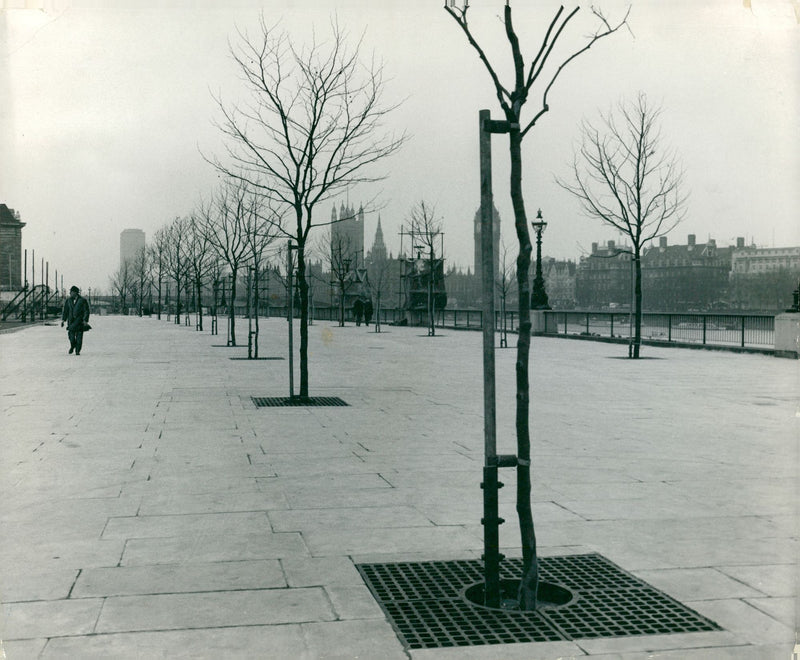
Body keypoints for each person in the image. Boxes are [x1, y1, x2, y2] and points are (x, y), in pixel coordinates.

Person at [61, 286, 90, 355]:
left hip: (80, 321)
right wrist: (63, 320)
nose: (70, 293)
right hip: (70, 321)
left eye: (71, 292)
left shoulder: (83, 300)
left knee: (79, 337)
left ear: (75, 292)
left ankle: (77, 350)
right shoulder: (68, 301)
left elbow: (86, 311)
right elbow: (65, 311)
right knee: (71, 336)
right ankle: (73, 345)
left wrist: (85, 320)